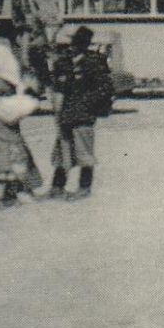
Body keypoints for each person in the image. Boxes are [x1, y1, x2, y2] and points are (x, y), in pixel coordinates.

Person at [50, 26, 113, 199]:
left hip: (83, 115)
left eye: (77, 43)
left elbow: (105, 88)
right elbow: (58, 87)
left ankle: (84, 188)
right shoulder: (63, 62)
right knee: (62, 151)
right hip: (66, 113)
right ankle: (57, 186)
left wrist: (87, 102)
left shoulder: (94, 63)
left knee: (84, 153)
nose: (72, 46)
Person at [0, 24, 40, 208]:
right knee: (13, 162)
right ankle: (13, 194)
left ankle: (3, 196)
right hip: (7, 128)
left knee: (4, 164)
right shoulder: (7, 82)